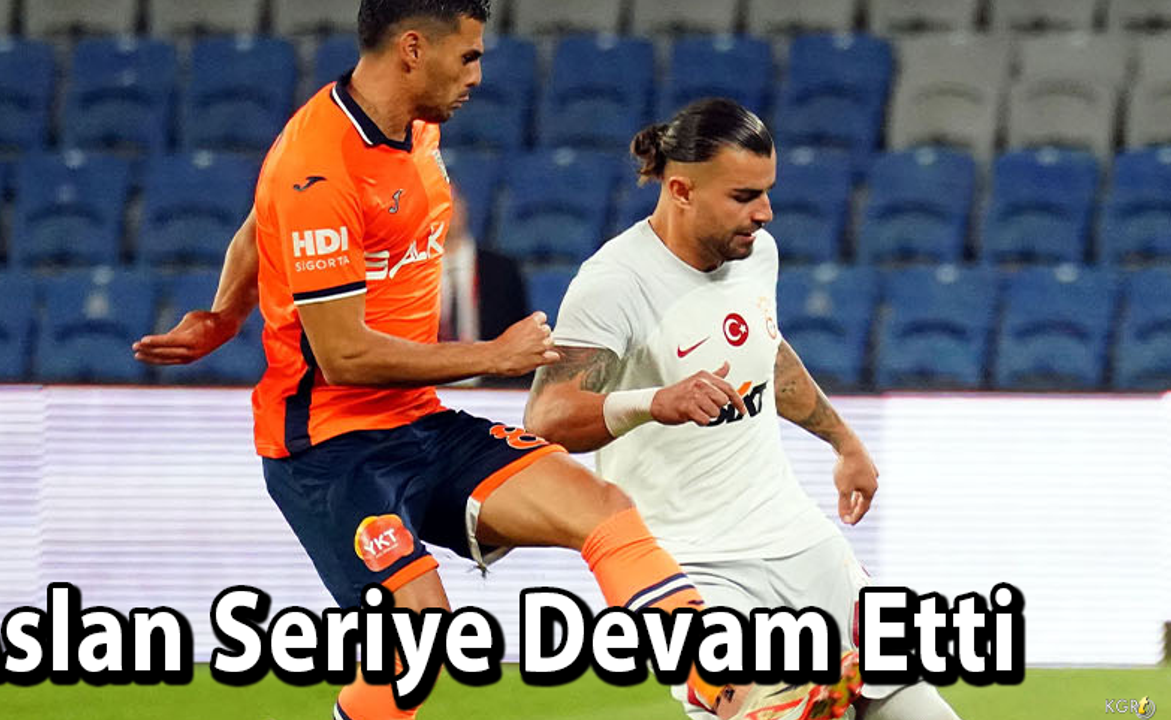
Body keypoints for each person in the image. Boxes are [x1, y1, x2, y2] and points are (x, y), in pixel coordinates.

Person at [132, 3, 858, 719]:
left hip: (416, 424)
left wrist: (224, 313)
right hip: (326, 449)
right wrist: (493, 355)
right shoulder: (318, 165)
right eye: (469, 55)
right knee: (416, 646)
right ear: (413, 49)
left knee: (603, 510)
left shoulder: (412, 128)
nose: (478, 74)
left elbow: (261, 221)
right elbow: (342, 354)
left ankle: (722, 686)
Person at [525, 98, 963, 720]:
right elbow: (547, 416)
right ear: (681, 190)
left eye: (767, 192)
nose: (765, 212)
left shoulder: (757, 254)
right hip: (694, 568)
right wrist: (655, 401)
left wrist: (843, 441)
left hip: (799, 540)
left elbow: (768, 353)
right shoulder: (615, 283)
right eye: (744, 196)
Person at [439, 189, 529, 345]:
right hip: (432, 359)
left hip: (494, 359)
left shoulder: (503, 270)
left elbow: (520, 337)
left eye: (453, 201)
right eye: (440, 203)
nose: (449, 209)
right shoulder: (412, 272)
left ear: (464, 206)